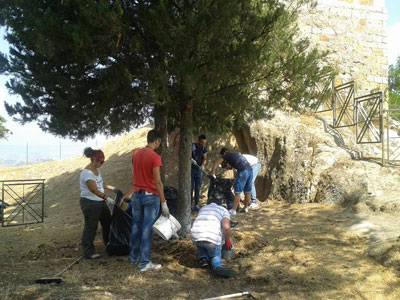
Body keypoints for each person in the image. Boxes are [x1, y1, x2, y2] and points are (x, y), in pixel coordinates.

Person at [122, 129, 170, 272]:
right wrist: (164, 203)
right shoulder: (155, 157)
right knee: (146, 229)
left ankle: (133, 257)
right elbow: (158, 182)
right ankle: (144, 263)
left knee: (136, 227)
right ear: (157, 141)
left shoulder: (135, 154)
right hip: (150, 197)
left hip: (137, 196)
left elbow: (135, 174)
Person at [79, 147, 119, 259]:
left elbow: (100, 184)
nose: (102, 164)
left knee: (108, 222)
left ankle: (109, 244)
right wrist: (106, 198)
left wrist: (112, 188)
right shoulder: (87, 173)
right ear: (94, 160)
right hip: (90, 203)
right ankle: (88, 252)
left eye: (103, 162)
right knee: (91, 227)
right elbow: (93, 189)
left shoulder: (97, 170)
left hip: (99, 201)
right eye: (101, 162)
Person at [191, 202, 236, 278]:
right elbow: (226, 228)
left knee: (202, 242)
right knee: (214, 255)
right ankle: (218, 267)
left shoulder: (203, 208)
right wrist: (227, 240)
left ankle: (203, 259)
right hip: (211, 240)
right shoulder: (223, 210)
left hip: (195, 235)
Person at [211, 148, 253, 215]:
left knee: (238, 192)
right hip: (250, 171)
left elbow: (216, 163)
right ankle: (246, 208)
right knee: (247, 191)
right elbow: (235, 172)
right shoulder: (234, 155)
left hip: (243, 171)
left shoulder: (226, 155)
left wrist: (213, 174)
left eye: (222, 155)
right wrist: (235, 179)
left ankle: (233, 210)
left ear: (224, 153)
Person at [191, 134, 208, 211]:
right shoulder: (192, 146)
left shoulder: (204, 149)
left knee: (197, 188)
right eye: (201, 142)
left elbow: (204, 159)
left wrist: (203, 165)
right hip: (191, 170)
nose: (202, 144)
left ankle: (196, 204)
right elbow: (187, 156)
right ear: (198, 140)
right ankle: (190, 204)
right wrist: (191, 160)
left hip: (198, 170)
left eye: (204, 142)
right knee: (190, 188)